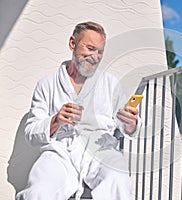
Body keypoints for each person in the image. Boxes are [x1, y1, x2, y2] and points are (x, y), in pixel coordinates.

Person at [16, 21, 141, 200]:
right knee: (38, 192)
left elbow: (126, 127)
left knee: (118, 180)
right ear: (72, 43)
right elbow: (30, 133)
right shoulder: (47, 85)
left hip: (101, 151)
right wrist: (55, 121)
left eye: (100, 52)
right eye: (90, 48)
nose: (95, 57)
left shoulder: (110, 84)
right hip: (60, 152)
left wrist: (131, 123)